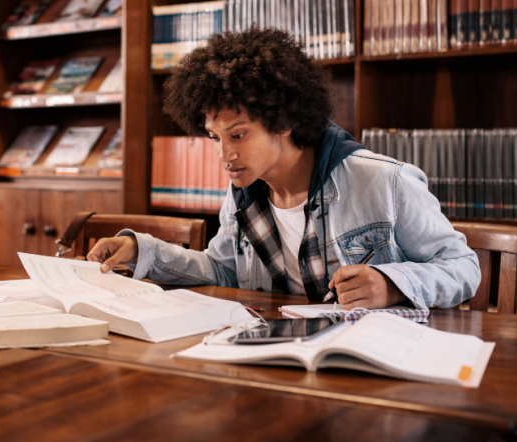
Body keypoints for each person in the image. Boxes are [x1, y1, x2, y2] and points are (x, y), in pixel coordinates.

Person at [88, 26, 480, 312]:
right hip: (280, 355)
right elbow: (223, 271)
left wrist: (393, 285)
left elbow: (463, 268)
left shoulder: (383, 180)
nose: (224, 155)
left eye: (238, 135)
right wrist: (142, 252)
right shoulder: (244, 191)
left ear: (283, 121)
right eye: (214, 137)